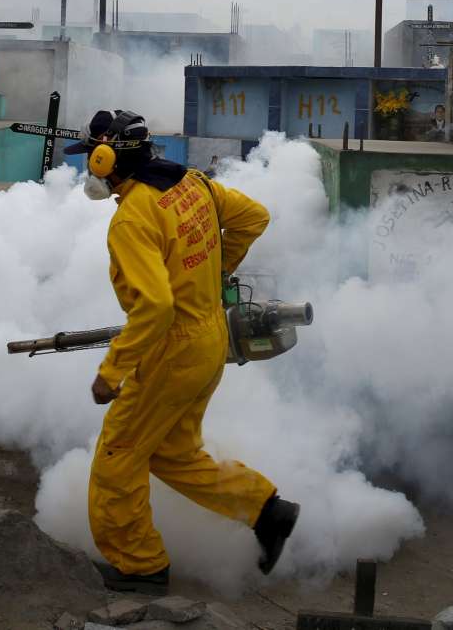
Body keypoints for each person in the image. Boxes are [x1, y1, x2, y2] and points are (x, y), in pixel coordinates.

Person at [64, 110, 300, 594]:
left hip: (171, 352)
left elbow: (154, 306)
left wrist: (113, 370)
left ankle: (141, 566)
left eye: (92, 156)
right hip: (210, 339)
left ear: (107, 159)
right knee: (170, 452)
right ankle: (264, 510)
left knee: (119, 456)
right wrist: (215, 276)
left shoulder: (132, 217)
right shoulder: (193, 184)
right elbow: (254, 217)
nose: (90, 166)